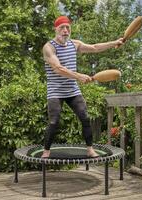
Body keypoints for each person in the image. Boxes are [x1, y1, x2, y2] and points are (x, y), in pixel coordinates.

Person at [41, 16, 124, 158]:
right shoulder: (49, 47)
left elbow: (95, 47)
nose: (65, 30)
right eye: (62, 27)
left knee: (85, 118)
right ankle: (46, 151)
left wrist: (115, 42)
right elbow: (58, 68)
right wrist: (79, 76)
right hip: (55, 91)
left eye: (68, 27)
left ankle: (90, 149)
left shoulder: (75, 44)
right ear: (56, 29)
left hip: (72, 90)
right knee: (54, 121)